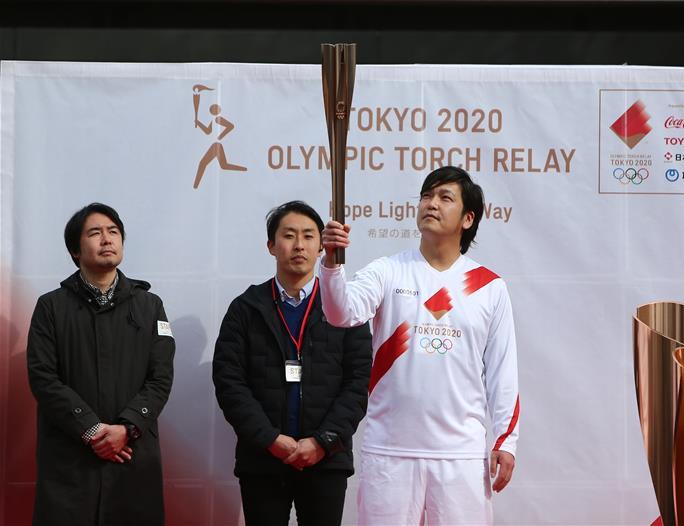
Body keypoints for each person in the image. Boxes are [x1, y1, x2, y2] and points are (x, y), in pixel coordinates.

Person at [321, 166, 520, 525]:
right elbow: (341, 313)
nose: (431, 204)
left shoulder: (489, 287)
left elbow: (502, 372)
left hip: (460, 455)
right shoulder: (388, 271)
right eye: (427, 196)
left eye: (445, 198)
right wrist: (332, 265)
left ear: (468, 218)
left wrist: (506, 440)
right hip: (390, 450)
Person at [212, 201, 372, 526]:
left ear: (321, 246)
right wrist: (270, 439)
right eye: (288, 236)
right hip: (263, 460)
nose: (299, 245)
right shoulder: (246, 308)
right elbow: (230, 383)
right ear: (271, 246)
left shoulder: (346, 306)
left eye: (309, 236)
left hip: (326, 459)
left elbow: (358, 383)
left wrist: (322, 442)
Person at [26, 202, 175, 526]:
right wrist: (92, 430)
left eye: (114, 232)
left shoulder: (150, 306)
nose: (107, 239)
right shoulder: (51, 307)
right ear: (75, 250)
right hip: (71, 461)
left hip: (132, 455)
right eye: (95, 233)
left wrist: (127, 427)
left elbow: (160, 378)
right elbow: (43, 377)